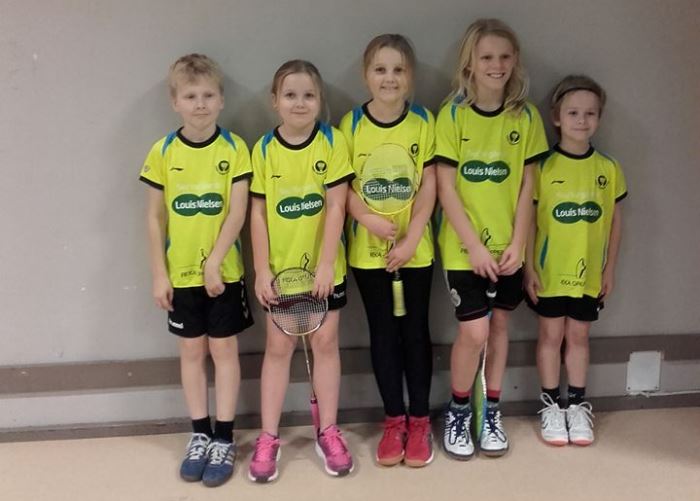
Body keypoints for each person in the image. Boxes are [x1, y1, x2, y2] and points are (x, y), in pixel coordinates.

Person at [435, 19, 548, 459]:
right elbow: (446, 189)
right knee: (475, 331)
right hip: (464, 250)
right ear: (470, 63)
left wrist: (518, 244)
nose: (496, 65)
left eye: (504, 56)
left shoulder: (527, 117)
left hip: (508, 250)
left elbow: (528, 186)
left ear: (515, 61)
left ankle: (491, 410)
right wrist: (474, 246)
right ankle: (459, 409)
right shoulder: (452, 115)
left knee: (500, 327)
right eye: (486, 57)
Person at [139, 53, 254, 487]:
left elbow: (238, 212)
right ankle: (200, 434)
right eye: (190, 96)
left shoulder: (235, 148)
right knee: (191, 352)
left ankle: (224, 437)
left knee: (224, 352)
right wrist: (159, 273)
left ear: (221, 100)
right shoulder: (163, 152)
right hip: (180, 276)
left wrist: (214, 262)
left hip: (223, 275)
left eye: (208, 95)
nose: (200, 104)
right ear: (175, 102)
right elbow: (155, 218)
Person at [247, 60, 355, 482]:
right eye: (290, 95)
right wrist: (261, 270)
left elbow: (337, 206)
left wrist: (327, 263)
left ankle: (328, 430)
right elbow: (257, 214)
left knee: (325, 343)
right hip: (280, 273)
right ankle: (268, 437)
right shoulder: (263, 150)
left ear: (319, 99)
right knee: (278, 348)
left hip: (325, 271)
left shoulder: (332, 141)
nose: (300, 103)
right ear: (275, 101)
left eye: (308, 95)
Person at [340, 34, 436, 468]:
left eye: (398, 70)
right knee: (383, 334)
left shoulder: (423, 122)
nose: (389, 78)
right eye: (380, 69)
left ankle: (420, 421)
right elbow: (343, 187)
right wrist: (366, 218)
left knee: (415, 332)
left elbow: (430, 185)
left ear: (410, 76)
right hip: (368, 254)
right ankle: (394, 420)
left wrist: (413, 236)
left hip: (416, 252)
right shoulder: (350, 125)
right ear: (366, 75)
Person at [525, 75, 626, 446]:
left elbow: (615, 223)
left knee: (579, 336)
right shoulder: (542, 168)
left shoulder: (608, 169)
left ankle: (578, 405)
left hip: (589, 276)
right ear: (556, 116)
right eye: (573, 113)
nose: (581, 120)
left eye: (590, 113)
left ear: (599, 118)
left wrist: (609, 269)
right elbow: (529, 222)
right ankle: (552, 405)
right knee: (551, 336)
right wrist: (529, 268)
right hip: (550, 273)